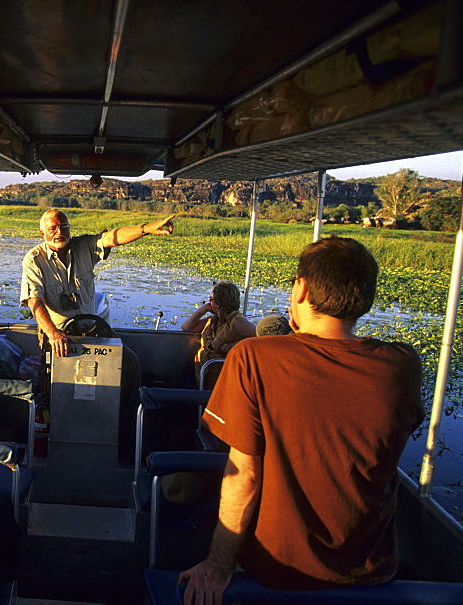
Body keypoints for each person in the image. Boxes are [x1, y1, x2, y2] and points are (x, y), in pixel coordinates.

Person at [179, 236, 425, 601]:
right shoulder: (402, 365)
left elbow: (243, 476)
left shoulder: (254, 358)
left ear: (302, 288)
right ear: (365, 297)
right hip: (369, 572)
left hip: (277, 567)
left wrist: (218, 565)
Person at [20, 208, 176, 458]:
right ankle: (60, 440)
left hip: (93, 329)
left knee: (131, 362)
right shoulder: (34, 259)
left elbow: (112, 237)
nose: (60, 232)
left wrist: (146, 229)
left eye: (64, 226)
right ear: (42, 232)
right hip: (59, 335)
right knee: (61, 384)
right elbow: (34, 301)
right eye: (53, 228)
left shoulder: (83, 247)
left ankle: (124, 435)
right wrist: (52, 333)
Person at [181, 280, 257, 390]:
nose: (209, 303)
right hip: (202, 372)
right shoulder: (213, 320)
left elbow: (260, 339)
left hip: (221, 378)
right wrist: (204, 309)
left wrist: (235, 345)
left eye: (210, 300)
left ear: (218, 304)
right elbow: (187, 327)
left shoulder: (237, 322)